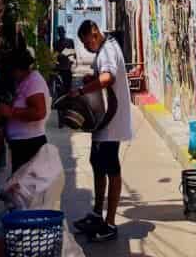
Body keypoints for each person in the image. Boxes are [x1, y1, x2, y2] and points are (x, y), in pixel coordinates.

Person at [72, 19, 132, 243]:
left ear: (95, 34)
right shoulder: (109, 45)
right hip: (105, 121)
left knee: (110, 168)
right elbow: (103, 77)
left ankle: (110, 224)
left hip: (111, 122)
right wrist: (92, 79)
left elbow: (108, 78)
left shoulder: (106, 50)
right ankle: (97, 214)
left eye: (87, 44)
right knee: (97, 164)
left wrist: (82, 90)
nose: (87, 48)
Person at [0, 47, 51, 172]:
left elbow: (39, 112)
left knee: (26, 187)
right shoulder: (24, 81)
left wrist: (11, 112)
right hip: (22, 145)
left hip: (30, 145)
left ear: (18, 68)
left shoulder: (33, 81)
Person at [54, 25, 75, 94]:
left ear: (64, 32)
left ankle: (68, 102)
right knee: (59, 88)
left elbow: (73, 53)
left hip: (68, 68)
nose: (61, 33)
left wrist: (72, 60)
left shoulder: (70, 41)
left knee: (68, 87)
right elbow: (55, 55)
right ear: (58, 33)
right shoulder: (56, 43)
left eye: (62, 32)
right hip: (59, 68)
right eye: (59, 32)